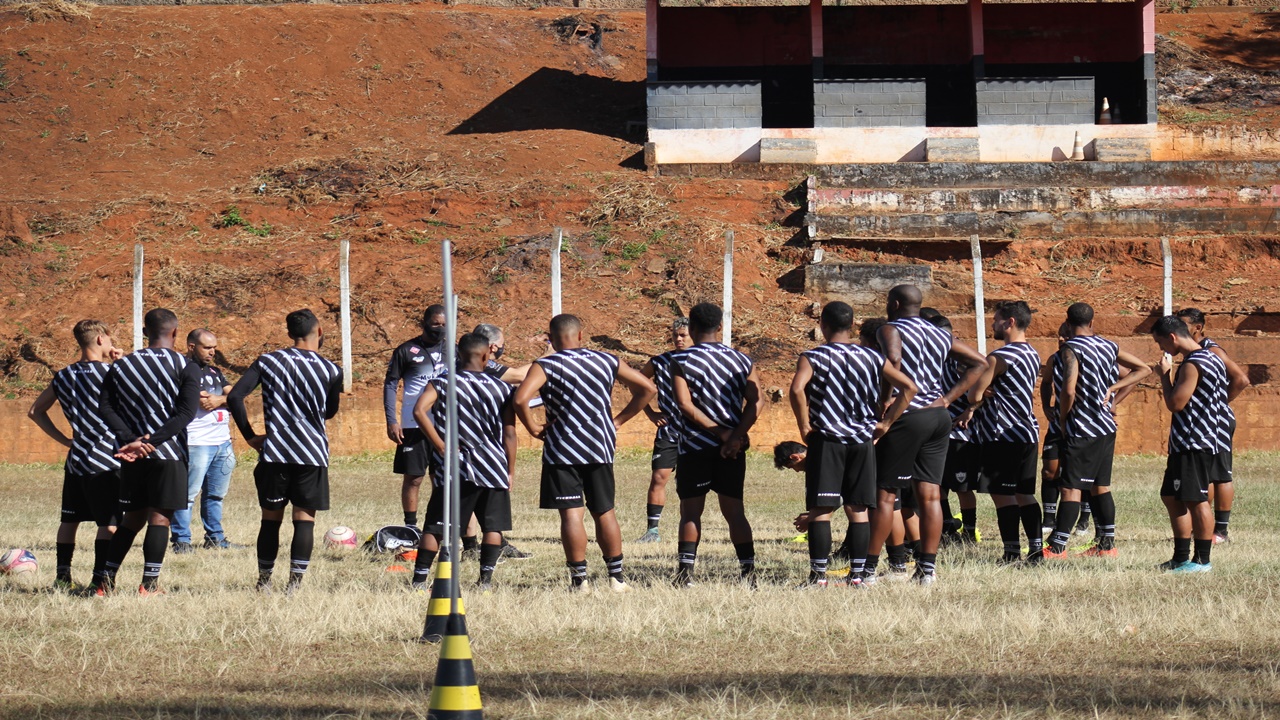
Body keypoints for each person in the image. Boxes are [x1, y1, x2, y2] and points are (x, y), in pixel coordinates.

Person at [513, 314, 655, 593]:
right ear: (581, 335)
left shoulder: (546, 364)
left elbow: (520, 398)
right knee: (605, 512)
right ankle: (617, 579)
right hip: (599, 446)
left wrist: (533, 428)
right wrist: (620, 420)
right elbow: (648, 388)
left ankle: (580, 582)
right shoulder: (607, 360)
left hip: (562, 449)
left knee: (571, 516)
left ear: (550, 338)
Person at [789, 301, 917, 587]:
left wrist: (804, 425)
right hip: (862, 441)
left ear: (822, 325)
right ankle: (858, 575)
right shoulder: (871, 356)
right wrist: (886, 423)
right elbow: (909, 387)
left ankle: (818, 577)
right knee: (858, 509)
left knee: (822, 509)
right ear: (852, 326)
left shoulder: (813, 356)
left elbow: (797, 389)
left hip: (829, 440)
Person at [868, 285, 988, 585]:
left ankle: (866, 570)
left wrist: (886, 401)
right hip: (938, 417)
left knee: (885, 495)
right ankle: (927, 570)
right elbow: (980, 363)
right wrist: (948, 400)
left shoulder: (890, 329)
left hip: (907, 415)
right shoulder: (940, 333)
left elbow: (893, 360)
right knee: (931, 494)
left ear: (894, 303)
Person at [228, 309, 344, 593]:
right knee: (304, 521)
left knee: (270, 519)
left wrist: (251, 437)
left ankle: (264, 582)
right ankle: (294, 585)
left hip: (275, 452)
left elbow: (234, 396)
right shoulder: (331, 369)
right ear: (319, 331)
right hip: (312, 454)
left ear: (290, 334)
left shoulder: (268, 361)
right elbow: (329, 412)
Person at [95, 309, 202, 596]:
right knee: (160, 519)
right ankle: (149, 585)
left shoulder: (122, 365)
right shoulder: (186, 365)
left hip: (133, 455)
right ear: (176, 332)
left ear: (145, 333)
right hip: (168, 454)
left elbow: (105, 407)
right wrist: (153, 441)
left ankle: (104, 583)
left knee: (132, 519)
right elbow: (186, 413)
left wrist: (132, 440)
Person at [408, 333, 518, 591]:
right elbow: (510, 433)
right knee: (493, 526)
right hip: (493, 466)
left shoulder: (443, 382)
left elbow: (418, 410)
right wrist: (510, 470)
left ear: (458, 356)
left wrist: (440, 444)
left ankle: (419, 580)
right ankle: (485, 581)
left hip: (456, 468)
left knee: (436, 526)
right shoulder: (502, 388)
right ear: (485, 356)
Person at [1043, 302, 1149, 559]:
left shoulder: (1071, 348)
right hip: (1105, 426)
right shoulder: (1108, 346)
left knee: (1070, 488)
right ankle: (1107, 545)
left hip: (1082, 427)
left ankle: (1057, 548)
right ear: (1092, 322)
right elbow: (1143, 369)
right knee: (1100, 487)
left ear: (1067, 323)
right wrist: (1113, 393)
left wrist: (1065, 420)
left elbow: (1068, 389)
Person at [670, 303, 762, 587]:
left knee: (690, 512)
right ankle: (748, 574)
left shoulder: (681, 361)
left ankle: (685, 576)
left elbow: (685, 405)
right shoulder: (742, 360)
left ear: (693, 329)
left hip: (694, 446)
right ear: (720, 327)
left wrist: (719, 432)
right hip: (731, 451)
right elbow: (757, 402)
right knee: (735, 512)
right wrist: (735, 435)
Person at [27, 320, 123, 592]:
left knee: (69, 521)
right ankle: (99, 580)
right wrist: (121, 364)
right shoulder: (110, 373)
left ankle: (62, 577)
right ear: (102, 339)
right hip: (106, 460)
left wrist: (64, 440)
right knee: (109, 523)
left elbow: (35, 411)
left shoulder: (64, 375)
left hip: (77, 459)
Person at [964, 301, 1045, 564]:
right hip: (1027, 431)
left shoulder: (999, 357)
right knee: (1025, 492)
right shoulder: (1033, 353)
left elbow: (973, 394)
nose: (992, 324)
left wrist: (980, 393)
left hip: (1002, 434)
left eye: (996, 320)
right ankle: (1035, 549)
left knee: (1002, 494)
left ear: (1009, 322)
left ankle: (1011, 552)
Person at [1152, 315, 1228, 572]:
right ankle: (1181, 556)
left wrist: (1165, 375)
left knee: (1197, 500)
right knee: (1171, 496)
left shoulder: (1193, 364)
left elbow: (1176, 403)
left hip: (1193, 442)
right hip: (1191, 440)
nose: (1162, 350)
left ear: (1172, 337)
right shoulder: (1212, 358)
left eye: (1161, 343)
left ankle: (1202, 560)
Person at [1176, 308, 1250, 543]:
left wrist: (1218, 403)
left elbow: (1241, 379)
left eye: (1183, 324)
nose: (1178, 329)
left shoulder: (1212, 350)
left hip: (1217, 421)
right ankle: (1202, 529)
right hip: (1205, 421)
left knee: (1221, 475)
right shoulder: (1192, 353)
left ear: (1197, 328)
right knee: (1205, 474)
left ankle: (1221, 531)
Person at [170, 328, 241, 553]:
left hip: (222, 442)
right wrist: (224, 399)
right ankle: (181, 540)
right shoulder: (182, 370)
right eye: (207, 347)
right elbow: (202, 400)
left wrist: (221, 398)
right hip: (196, 442)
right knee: (187, 495)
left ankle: (215, 538)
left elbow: (236, 398)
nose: (212, 352)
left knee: (215, 494)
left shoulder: (215, 372)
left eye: (214, 348)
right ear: (192, 346)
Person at [385, 306, 448, 529]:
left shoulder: (454, 351)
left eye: (444, 325)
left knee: (441, 479)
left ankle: (438, 524)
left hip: (444, 425)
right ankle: (410, 527)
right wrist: (392, 420)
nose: (440, 329)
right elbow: (391, 384)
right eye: (435, 324)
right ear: (423, 323)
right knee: (414, 478)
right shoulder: (406, 350)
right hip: (413, 424)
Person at [635, 317, 693, 543]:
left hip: (695, 433)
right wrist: (650, 413)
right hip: (669, 431)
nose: (678, 339)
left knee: (689, 483)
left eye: (683, 335)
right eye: (675, 335)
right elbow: (636, 384)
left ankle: (688, 527)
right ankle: (653, 530)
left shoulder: (702, 359)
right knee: (659, 477)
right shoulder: (660, 362)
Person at [926, 314, 980, 546]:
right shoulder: (932, 357)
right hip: (936, 430)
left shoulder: (962, 357)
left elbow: (985, 381)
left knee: (962, 486)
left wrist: (972, 408)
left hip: (959, 432)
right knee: (938, 483)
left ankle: (969, 531)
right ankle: (948, 527)